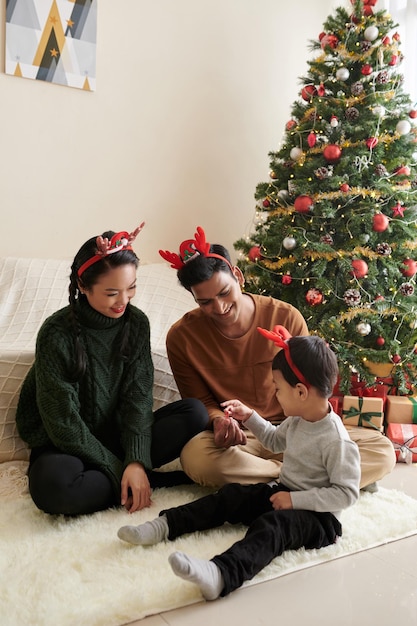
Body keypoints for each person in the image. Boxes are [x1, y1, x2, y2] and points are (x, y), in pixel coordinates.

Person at [117, 328, 361, 600]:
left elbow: (346, 494)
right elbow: (273, 441)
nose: (276, 395)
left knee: (273, 527)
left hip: (320, 519)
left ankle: (221, 574)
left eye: (278, 389)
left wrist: (295, 501)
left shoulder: (337, 441)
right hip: (284, 490)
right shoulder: (299, 419)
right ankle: (165, 525)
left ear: (301, 392)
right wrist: (250, 416)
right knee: (233, 495)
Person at [159, 226, 395, 489]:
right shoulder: (181, 337)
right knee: (196, 459)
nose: (219, 307)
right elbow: (202, 401)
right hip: (243, 439)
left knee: (382, 450)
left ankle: (279, 481)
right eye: (205, 302)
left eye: (224, 293)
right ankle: (312, 478)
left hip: (299, 430)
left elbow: (311, 386)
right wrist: (219, 422)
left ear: (237, 275)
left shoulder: (285, 316)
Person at [16, 224, 208, 516]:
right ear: (83, 286)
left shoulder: (136, 324)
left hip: (116, 436)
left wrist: (135, 460)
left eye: (131, 288)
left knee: (194, 413)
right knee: (53, 488)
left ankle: (129, 478)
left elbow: (138, 398)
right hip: (65, 444)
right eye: (111, 293)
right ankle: (143, 482)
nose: (123, 301)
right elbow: (61, 421)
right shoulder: (56, 333)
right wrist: (122, 469)